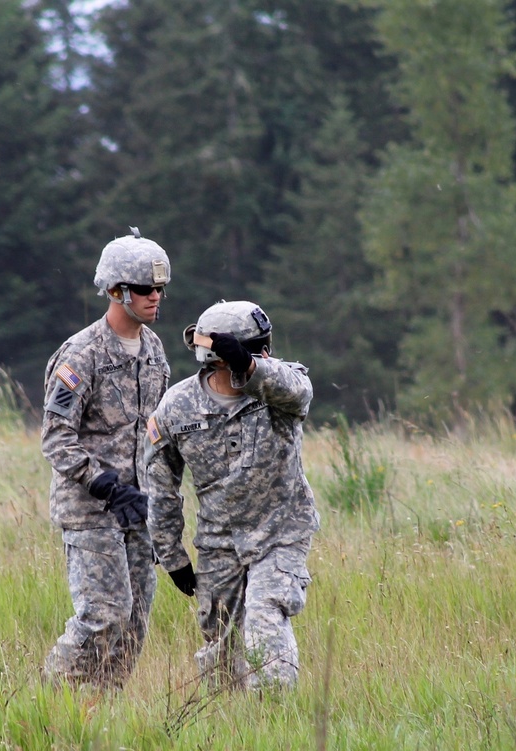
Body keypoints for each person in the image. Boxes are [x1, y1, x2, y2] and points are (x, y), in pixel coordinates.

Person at [143, 300, 319, 690]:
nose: (266, 354)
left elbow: (299, 392)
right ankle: (232, 724)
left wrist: (252, 366)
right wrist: (172, 557)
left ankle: (275, 715)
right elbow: (160, 487)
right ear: (216, 357)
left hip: (281, 534)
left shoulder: (279, 386)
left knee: (264, 619)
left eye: (263, 347)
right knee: (221, 648)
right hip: (219, 544)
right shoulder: (177, 406)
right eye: (257, 348)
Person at [41, 227, 171, 689]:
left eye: (159, 288)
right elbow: (56, 437)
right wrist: (105, 485)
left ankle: (100, 712)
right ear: (117, 291)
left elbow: (155, 432)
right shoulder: (82, 354)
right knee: (104, 615)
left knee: (133, 623)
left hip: (138, 512)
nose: (155, 296)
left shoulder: (154, 351)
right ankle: (52, 697)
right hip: (91, 510)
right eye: (144, 289)